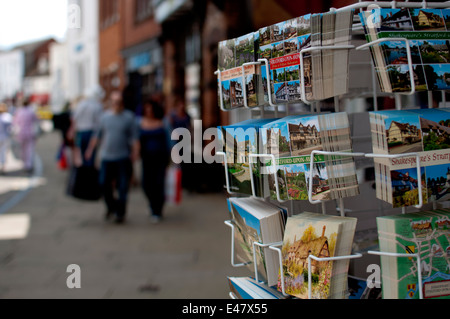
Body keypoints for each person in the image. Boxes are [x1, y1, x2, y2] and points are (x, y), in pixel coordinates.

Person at [85, 91, 139, 224]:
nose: (116, 104)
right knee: (103, 184)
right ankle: (112, 206)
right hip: (106, 157)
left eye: (119, 102)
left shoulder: (129, 117)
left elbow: (135, 138)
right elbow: (97, 135)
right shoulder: (104, 117)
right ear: (110, 103)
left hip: (123, 157)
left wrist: (135, 153)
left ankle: (120, 213)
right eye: (114, 102)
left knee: (122, 187)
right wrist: (90, 150)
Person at [139, 99, 171, 224]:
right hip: (146, 158)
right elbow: (136, 140)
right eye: (147, 110)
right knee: (146, 184)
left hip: (161, 158)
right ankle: (151, 203)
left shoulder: (164, 122)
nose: (149, 112)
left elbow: (170, 140)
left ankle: (157, 210)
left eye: (151, 110)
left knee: (159, 183)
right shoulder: (140, 123)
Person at [71, 86, 104, 167]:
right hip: (91, 133)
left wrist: (73, 131)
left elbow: (74, 118)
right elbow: (99, 123)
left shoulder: (81, 105)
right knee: (90, 155)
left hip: (80, 132)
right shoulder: (97, 106)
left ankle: (83, 173)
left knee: (80, 156)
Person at [12, 98, 39, 174]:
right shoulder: (31, 111)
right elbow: (37, 120)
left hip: (21, 133)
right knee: (29, 149)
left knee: (23, 149)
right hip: (30, 133)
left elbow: (14, 122)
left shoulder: (19, 111)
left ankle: (24, 163)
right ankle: (28, 165)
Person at [0, 103, 12, 174]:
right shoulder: (7, 116)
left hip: (3, 136)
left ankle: (2, 165)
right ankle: (3, 166)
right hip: (5, 137)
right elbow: (11, 128)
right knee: (4, 151)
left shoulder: (6, 116)